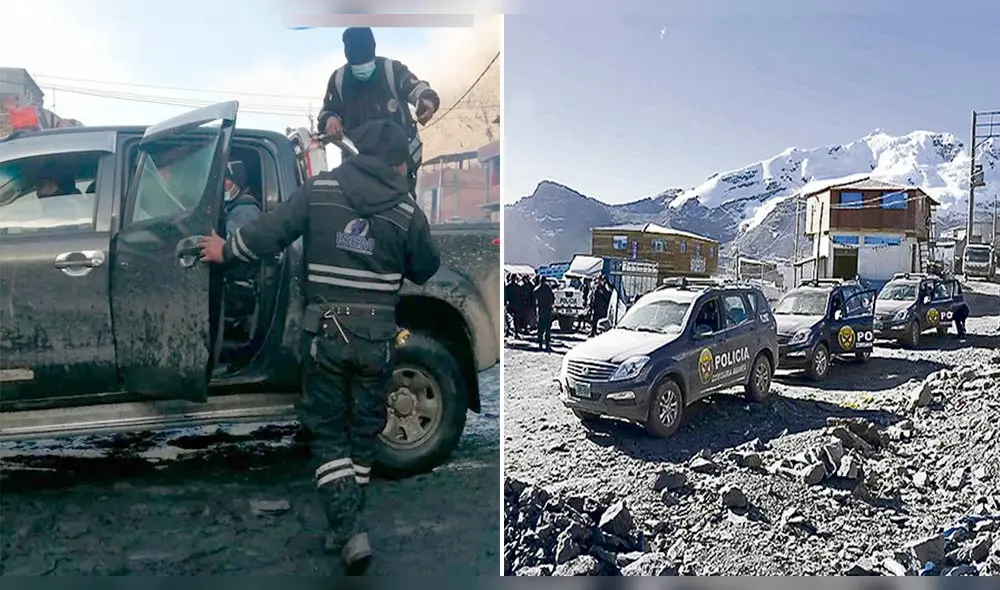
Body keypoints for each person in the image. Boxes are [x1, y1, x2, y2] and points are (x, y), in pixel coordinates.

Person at [198, 119, 441, 575]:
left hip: (327, 336)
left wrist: (225, 251)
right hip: (377, 339)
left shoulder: (321, 189)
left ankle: (348, 531)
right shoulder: (407, 211)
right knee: (362, 432)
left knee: (327, 433)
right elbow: (427, 267)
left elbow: (268, 233)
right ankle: (345, 523)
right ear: (397, 162)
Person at [317, 27, 441, 199]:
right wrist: (330, 119)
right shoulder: (339, 80)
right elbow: (327, 111)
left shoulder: (392, 70)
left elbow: (417, 88)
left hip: (399, 166)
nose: (362, 68)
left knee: (402, 212)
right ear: (347, 55)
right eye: (356, 64)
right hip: (359, 168)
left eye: (365, 61)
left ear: (373, 49)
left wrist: (426, 102)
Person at [534, 276, 555, 351]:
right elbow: (553, 298)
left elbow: (534, 295)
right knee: (548, 329)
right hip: (547, 310)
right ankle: (547, 344)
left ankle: (540, 344)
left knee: (540, 328)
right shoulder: (548, 288)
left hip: (541, 310)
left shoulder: (537, 289)